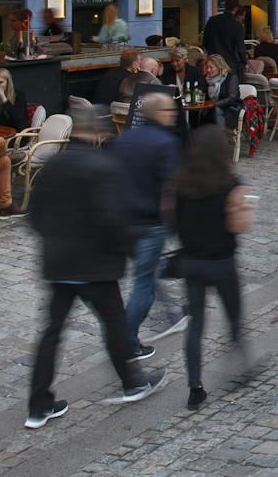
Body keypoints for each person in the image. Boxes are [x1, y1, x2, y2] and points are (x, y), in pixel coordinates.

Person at [26, 116, 164, 428]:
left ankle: (38, 406)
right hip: (94, 266)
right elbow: (113, 219)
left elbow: (33, 215)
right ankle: (133, 382)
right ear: (98, 134)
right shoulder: (104, 167)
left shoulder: (53, 165)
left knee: (51, 334)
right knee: (114, 324)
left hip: (59, 264)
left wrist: (55, 240)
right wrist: (128, 251)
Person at [170, 125, 253, 411]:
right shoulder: (231, 185)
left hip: (192, 263)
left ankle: (195, 386)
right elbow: (238, 226)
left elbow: (171, 223)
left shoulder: (182, 183)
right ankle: (241, 364)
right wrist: (245, 207)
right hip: (221, 262)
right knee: (234, 317)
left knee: (195, 326)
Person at [112, 93, 184, 362]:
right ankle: (127, 341)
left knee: (148, 273)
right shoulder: (166, 142)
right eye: (169, 109)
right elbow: (170, 187)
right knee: (144, 283)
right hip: (150, 223)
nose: (173, 113)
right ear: (159, 113)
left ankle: (172, 313)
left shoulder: (123, 138)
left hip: (124, 221)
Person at [201, 0, 248, 84]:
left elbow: (205, 43)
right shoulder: (237, 26)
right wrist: (245, 62)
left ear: (225, 6)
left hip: (213, 63)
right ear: (236, 8)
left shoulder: (212, 20)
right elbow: (241, 49)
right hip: (229, 65)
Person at [203, 54, 242, 130]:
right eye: (207, 67)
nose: (208, 70)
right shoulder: (207, 79)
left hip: (230, 109)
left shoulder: (231, 77)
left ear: (219, 67)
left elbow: (232, 98)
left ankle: (221, 137)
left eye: (211, 67)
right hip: (211, 108)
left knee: (216, 110)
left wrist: (214, 104)